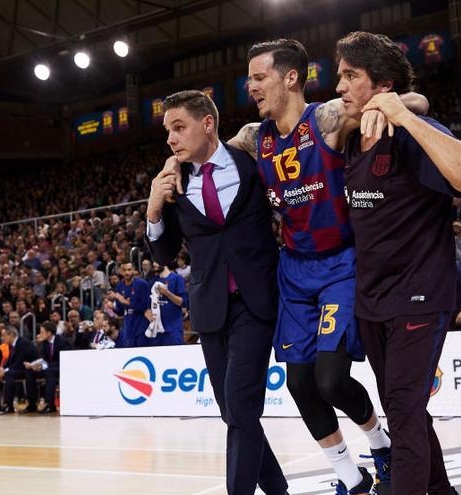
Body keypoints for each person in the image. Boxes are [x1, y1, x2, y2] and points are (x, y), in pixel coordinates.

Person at [219, 37, 432, 493]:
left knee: (331, 380)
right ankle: (350, 478)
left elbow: (418, 99)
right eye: (249, 79)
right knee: (300, 385)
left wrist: (387, 108)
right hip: (293, 271)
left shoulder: (329, 118)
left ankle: (382, 446)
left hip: (340, 265)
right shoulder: (255, 139)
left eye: (258, 77)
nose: (250, 86)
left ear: (290, 77)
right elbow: (211, 152)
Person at [339, 31, 461, 495]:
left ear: (380, 85)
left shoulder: (410, 134)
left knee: (402, 414)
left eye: (350, 76)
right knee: (407, 411)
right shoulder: (348, 135)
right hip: (373, 302)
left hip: (419, 297)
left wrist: (408, 113)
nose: (339, 85)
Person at [146, 90, 288, 495]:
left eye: (179, 127)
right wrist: (154, 210)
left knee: (241, 405)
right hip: (210, 310)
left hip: (256, 301)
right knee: (233, 412)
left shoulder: (250, 161)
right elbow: (164, 252)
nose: (171, 139)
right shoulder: (173, 185)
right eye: (167, 131)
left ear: (207, 123)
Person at [26, 322, 70, 414]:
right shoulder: (44, 343)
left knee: (49, 372)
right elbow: (42, 359)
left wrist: (44, 366)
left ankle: (50, 404)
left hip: (62, 367)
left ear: (49, 333)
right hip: (48, 368)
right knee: (30, 372)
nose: (40, 335)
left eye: (42, 332)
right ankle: (32, 404)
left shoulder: (62, 341)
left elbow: (63, 360)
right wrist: (35, 365)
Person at [0, 328, 39, 415]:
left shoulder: (23, 343)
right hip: (19, 368)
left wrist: (5, 371)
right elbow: (10, 361)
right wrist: (1, 369)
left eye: (4, 335)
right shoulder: (11, 345)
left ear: (10, 335)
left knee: (8, 375)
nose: (2, 338)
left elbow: (20, 362)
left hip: (30, 368)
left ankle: (9, 405)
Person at [106, 262, 150, 348]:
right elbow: (120, 312)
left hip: (142, 328)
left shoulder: (142, 284)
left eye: (129, 270)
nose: (127, 273)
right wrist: (113, 307)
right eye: (124, 270)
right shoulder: (119, 286)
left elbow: (145, 307)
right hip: (128, 329)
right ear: (120, 271)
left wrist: (126, 302)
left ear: (133, 270)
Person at [145, 262, 188, 346]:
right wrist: (147, 313)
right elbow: (147, 306)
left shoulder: (177, 278)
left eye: (157, 262)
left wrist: (167, 293)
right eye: (153, 262)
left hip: (173, 329)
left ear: (164, 261)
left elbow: (183, 302)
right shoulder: (152, 281)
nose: (154, 264)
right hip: (156, 330)